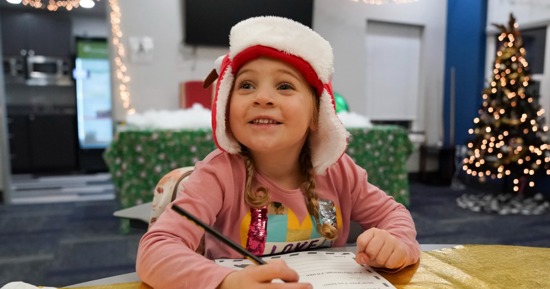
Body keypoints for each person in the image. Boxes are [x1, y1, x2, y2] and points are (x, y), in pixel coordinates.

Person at [136, 16, 420, 289]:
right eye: (246, 85)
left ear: (316, 114)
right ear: (225, 106)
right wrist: (227, 282)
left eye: (284, 86)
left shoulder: (339, 171)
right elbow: (155, 251)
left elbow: (394, 215)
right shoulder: (218, 175)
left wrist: (397, 244)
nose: (262, 97)